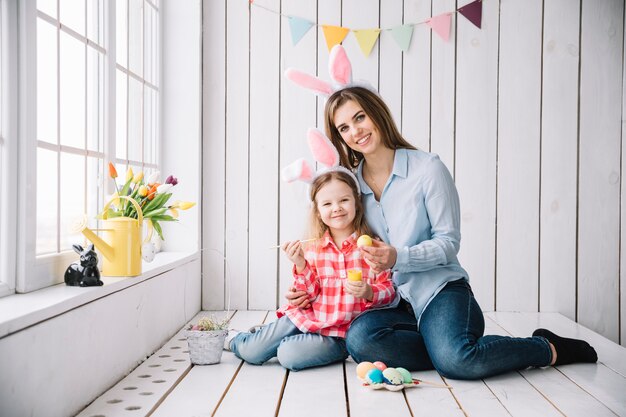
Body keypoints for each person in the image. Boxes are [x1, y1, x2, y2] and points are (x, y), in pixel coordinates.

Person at [286, 86, 598, 379]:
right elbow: (340, 246)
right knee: (360, 341)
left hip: (440, 291)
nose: (355, 131)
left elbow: (449, 243)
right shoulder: (350, 186)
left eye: (359, 117)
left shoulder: (427, 169)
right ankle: (447, 346)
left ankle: (546, 347)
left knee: (457, 361)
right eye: (343, 128)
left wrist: (398, 257)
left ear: (377, 113)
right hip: (392, 302)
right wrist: (308, 284)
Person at [228, 169, 395, 371]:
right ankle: (235, 339)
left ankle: (268, 336)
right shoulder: (314, 248)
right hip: (305, 318)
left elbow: (388, 290)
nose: (336, 208)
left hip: (339, 335)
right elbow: (307, 294)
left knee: (288, 355)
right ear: (317, 211)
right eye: (327, 204)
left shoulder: (372, 247)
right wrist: (300, 264)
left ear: (356, 203)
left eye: (343, 200)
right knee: (252, 352)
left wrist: (369, 292)